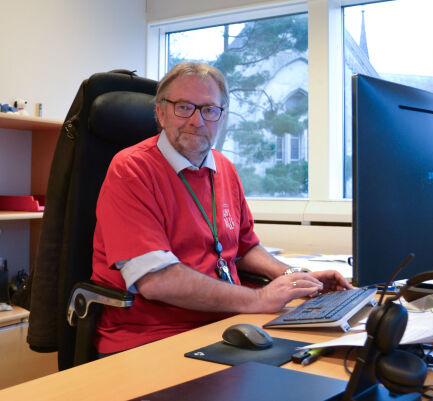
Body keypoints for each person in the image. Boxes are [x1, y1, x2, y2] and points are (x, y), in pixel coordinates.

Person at [90, 62, 351, 354]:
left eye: (209, 110)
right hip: (154, 337)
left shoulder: (224, 168)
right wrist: (259, 299)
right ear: (160, 113)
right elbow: (156, 281)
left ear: (221, 118)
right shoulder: (132, 170)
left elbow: (245, 247)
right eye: (184, 107)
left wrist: (295, 276)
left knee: (331, 362)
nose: (197, 120)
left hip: (228, 324)